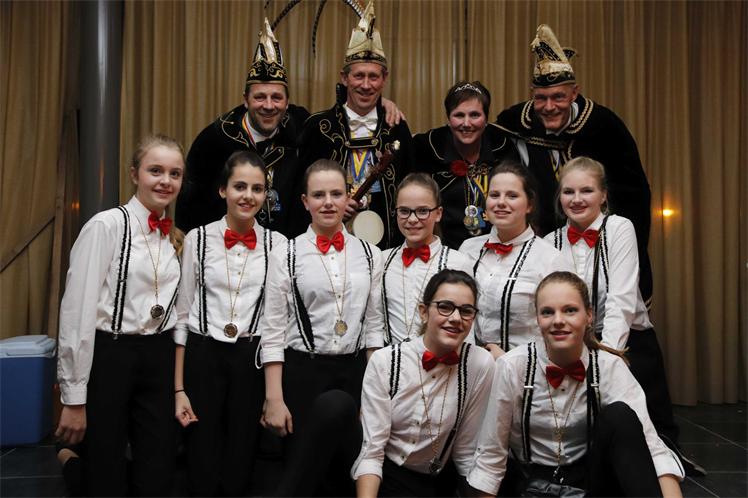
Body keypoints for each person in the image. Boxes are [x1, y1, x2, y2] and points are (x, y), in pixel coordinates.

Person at [545, 155, 702, 475]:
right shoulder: (551, 241)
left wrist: (607, 356)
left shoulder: (619, 228)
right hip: (575, 340)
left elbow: (621, 298)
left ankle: (665, 470)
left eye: (586, 191)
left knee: (647, 425)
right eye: (568, 191)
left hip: (629, 340)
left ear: (603, 195)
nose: (576, 199)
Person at [176, 18, 404, 239]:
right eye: (259, 97)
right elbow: (189, 203)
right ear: (245, 100)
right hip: (224, 247)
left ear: (287, 103)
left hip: (283, 247)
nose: (268, 106)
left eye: (276, 97)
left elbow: (342, 112)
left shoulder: (299, 123)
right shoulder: (214, 140)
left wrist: (378, 104)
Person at [467, 271, 684, 497]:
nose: (558, 320)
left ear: (589, 315)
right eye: (547, 312)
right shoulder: (513, 366)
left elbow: (652, 447)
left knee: (621, 415)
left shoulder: (608, 367)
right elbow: (491, 455)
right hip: (529, 483)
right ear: (537, 319)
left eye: (570, 310)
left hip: (591, 484)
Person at [55, 134, 185, 496]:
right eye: (155, 170)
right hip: (111, 354)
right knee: (105, 473)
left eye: (174, 173)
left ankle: (75, 463)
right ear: (134, 174)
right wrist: (73, 397)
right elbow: (77, 312)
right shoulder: (106, 226)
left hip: (158, 354)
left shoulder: (174, 237)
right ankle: (72, 462)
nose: (165, 181)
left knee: (157, 473)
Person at [495, 24, 654, 307]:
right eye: (541, 98)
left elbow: (633, 196)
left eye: (559, 96)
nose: (549, 107)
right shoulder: (516, 122)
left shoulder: (605, 127)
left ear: (574, 93)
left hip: (599, 245)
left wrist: (621, 246)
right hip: (545, 244)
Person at [260, 159, 384, 496]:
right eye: (318, 195)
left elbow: (374, 329)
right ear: (305, 201)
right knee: (305, 472)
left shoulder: (370, 254)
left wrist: (375, 396)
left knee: (346, 471)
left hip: (355, 374)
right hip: (303, 374)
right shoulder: (286, 254)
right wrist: (274, 398)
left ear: (348, 198)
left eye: (336, 194)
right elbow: (273, 330)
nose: (328, 202)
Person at [173, 150, 287, 496]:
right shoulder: (196, 239)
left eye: (257, 188)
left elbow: (276, 319)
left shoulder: (278, 245)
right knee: (201, 454)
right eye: (240, 186)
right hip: (203, 354)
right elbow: (182, 314)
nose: (248, 196)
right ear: (223, 190)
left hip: (250, 359)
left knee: (242, 455)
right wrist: (178, 388)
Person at [353, 269, 495, 497]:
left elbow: (466, 452)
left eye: (466, 311)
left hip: (438, 482)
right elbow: (372, 452)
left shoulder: (479, 364)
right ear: (423, 312)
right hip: (388, 475)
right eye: (445, 307)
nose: (456, 318)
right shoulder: (386, 361)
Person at [299, 0, 414, 249]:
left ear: (384, 79)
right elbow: (300, 190)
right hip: (327, 245)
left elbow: (410, 186)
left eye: (373, 76)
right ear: (344, 78)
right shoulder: (318, 128)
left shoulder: (397, 127)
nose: (366, 85)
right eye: (358, 75)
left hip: (388, 247)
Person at [459, 161, 572, 357]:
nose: (501, 202)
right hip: (470, 365)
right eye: (494, 195)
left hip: (528, 367)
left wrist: (507, 360)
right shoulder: (468, 249)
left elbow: (564, 328)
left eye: (512, 195)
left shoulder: (551, 259)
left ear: (529, 205)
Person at [413, 81, 519, 249]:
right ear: (448, 119)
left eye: (475, 115)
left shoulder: (503, 148)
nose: (467, 123)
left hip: (497, 247)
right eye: (459, 115)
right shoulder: (427, 149)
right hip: (443, 249)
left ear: (486, 118)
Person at [381, 173, 473, 345]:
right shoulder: (383, 260)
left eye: (423, 211)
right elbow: (375, 321)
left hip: (443, 358)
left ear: (438, 214)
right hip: (394, 358)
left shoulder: (458, 262)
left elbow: (467, 326)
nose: (412, 219)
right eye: (404, 211)